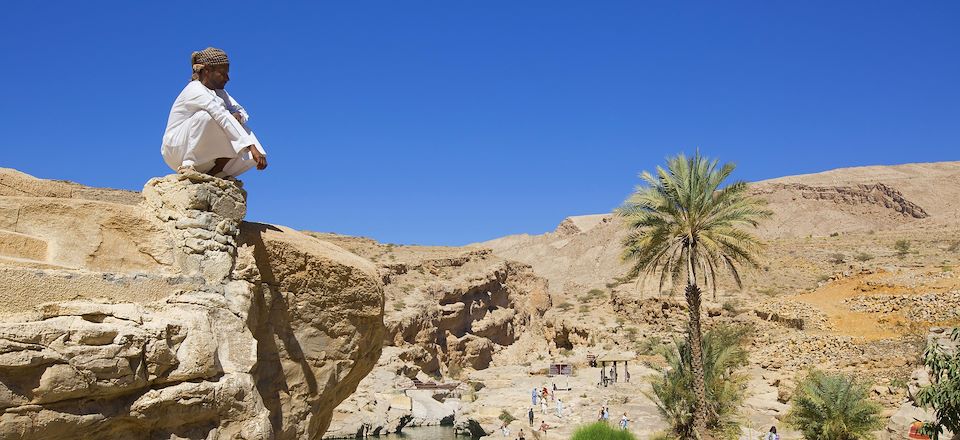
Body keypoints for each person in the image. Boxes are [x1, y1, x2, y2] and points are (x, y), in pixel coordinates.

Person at [161, 47, 268, 179]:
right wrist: (251, 147)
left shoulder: (220, 93)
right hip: (176, 150)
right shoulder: (195, 89)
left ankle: (216, 171)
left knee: (234, 122)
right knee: (206, 116)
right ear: (207, 71)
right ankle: (188, 164)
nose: (227, 78)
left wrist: (238, 117)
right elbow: (220, 114)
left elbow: (240, 111)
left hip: (202, 155)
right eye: (223, 73)